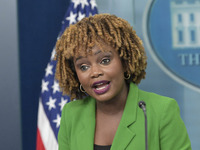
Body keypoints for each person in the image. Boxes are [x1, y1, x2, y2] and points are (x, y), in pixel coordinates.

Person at [55, 14, 191, 150]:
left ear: (125, 61)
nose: (95, 72)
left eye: (105, 60)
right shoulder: (72, 114)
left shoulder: (161, 111)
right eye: (84, 67)